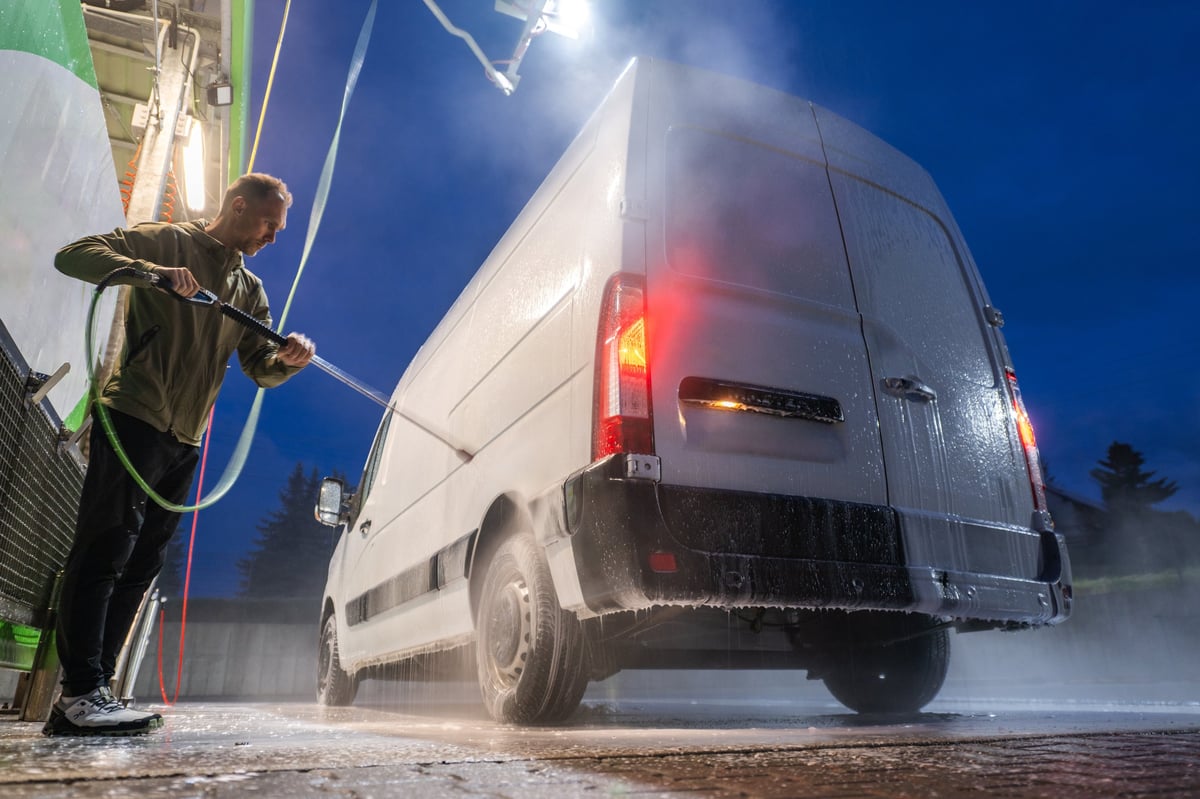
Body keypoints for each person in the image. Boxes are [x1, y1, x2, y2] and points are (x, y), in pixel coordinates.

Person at [45, 173, 315, 736]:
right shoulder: (167, 241)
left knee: (142, 563)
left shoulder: (249, 291)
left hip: (185, 438)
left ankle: (99, 689)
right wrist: (151, 274)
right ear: (239, 207)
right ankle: (77, 694)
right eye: (269, 223)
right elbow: (72, 256)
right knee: (104, 547)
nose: (272, 236)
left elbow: (259, 369)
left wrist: (287, 359)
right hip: (136, 415)